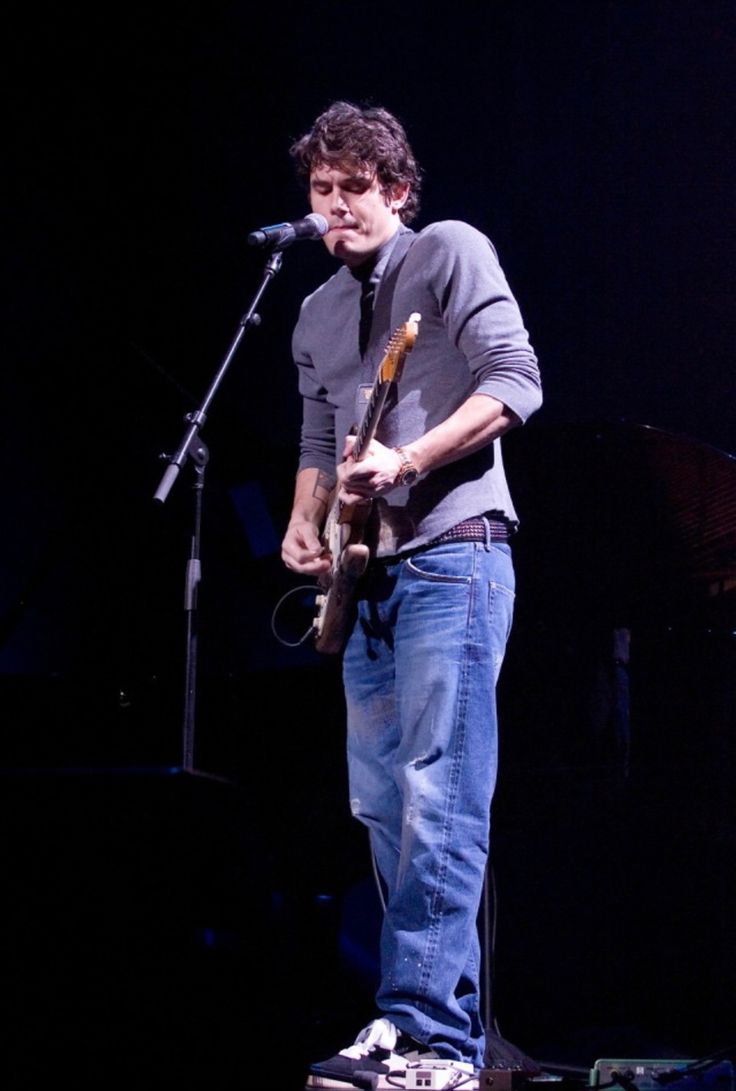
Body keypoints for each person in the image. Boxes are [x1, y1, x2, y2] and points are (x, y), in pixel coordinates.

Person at [280, 100, 543, 1090]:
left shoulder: (450, 254)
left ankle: (430, 1035)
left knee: (441, 794)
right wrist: (309, 523)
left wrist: (408, 458)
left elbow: (517, 381)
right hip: (366, 577)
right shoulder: (311, 311)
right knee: (382, 803)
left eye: (356, 187)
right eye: (320, 190)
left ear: (395, 190)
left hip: (454, 556)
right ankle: (425, 1022)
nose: (337, 206)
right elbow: (317, 441)